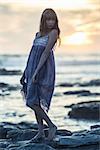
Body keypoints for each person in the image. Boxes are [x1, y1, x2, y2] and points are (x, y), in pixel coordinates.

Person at [20, 8, 60, 142]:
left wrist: (36, 72)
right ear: (43, 20)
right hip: (32, 67)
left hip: (43, 68)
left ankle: (51, 125)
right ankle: (41, 131)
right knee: (34, 100)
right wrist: (25, 72)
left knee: (31, 102)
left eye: (53, 19)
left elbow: (46, 53)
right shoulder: (38, 34)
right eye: (48, 19)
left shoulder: (54, 33)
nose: (50, 22)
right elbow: (31, 55)